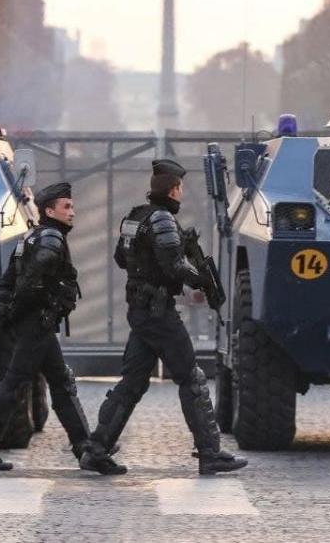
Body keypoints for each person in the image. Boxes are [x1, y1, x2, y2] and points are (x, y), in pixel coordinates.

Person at [79, 159, 247, 475]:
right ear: (173, 189)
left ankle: (97, 449)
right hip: (158, 313)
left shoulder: (135, 217)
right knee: (191, 377)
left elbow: (120, 257)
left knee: (132, 383)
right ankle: (210, 452)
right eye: (180, 187)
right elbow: (175, 267)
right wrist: (199, 279)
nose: (182, 193)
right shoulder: (163, 220)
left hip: (142, 312)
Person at [0, 182, 124, 475]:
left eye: (72, 206)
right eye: (66, 207)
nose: (72, 212)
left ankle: (85, 448)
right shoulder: (50, 240)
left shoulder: (30, 237)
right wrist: (23, 311)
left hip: (38, 323)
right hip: (37, 323)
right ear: (49, 210)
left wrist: (10, 312)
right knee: (15, 383)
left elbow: (8, 282)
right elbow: (30, 285)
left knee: (60, 384)